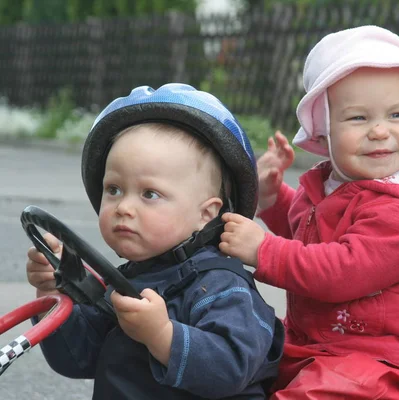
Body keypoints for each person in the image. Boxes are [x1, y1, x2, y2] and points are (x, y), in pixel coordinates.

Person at [219, 26, 399, 399]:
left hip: (389, 370)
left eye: (397, 115)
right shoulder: (333, 185)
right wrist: (274, 200)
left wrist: (264, 250)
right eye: (358, 118)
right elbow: (311, 232)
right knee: (231, 360)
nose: (380, 131)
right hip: (324, 351)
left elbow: (341, 270)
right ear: (323, 134)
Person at [25, 83, 284, 399]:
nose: (124, 207)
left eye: (149, 194)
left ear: (206, 214)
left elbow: (231, 369)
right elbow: (77, 359)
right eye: (114, 189)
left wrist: (164, 336)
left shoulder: (223, 287)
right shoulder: (127, 280)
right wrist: (54, 293)